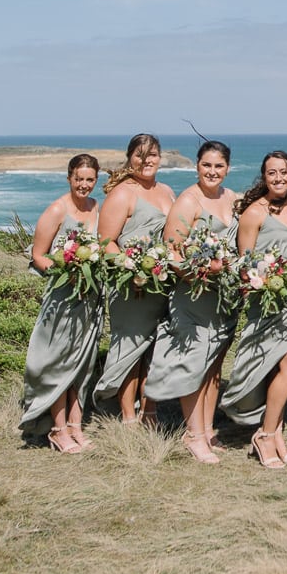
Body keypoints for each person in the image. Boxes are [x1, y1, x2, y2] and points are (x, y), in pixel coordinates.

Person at [146, 139, 239, 463]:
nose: (212, 171)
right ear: (197, 166)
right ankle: (193, 434)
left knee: (213, 366)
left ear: (227, 168)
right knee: (192, 365)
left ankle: (208, 429)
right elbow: (170, 251)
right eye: (206, 165)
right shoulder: (188, 201)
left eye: (218, 166)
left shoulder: (231, 198)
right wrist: (197, 273)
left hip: (222, 298)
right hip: (193, 295)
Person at [219, 150, 287, 469]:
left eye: (283, 172)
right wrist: (263, 280)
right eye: (272, 173)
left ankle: (275, 434)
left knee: (282, 368)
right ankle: (266, 435)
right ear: (264, 176)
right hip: (267, 301)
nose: (279, 177)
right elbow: (244, 266)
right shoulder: (254, 213)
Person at [19, 153, 104, 453]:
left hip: (90, 299)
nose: (84, 185)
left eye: (90, 179)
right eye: (78, 179)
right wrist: (63, 273)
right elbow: (38, 255)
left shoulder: (96, 208)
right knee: (59, 361)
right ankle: (57, 429)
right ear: (69, 178)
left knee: (82, 362)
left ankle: (75, 425)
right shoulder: (57, 209)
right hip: (62, 299)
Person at [93, 134, 176, 425]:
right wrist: (134, 268)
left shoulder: (166, 191)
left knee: (156, 348)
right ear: (130, 158)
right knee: (131, 349)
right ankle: (128, 414)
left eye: (152, 154)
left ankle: (150, 410)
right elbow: (106, 242)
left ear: (160, 157)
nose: (146, 161)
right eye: (140, 155)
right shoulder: (123, 193)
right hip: (131, 286)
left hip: (162, 284)